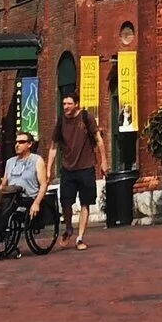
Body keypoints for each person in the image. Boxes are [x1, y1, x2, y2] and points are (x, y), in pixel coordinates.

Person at [0, 131, 45, 260]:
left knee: (8, 205)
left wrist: (36, 203)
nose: (17, 145)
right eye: (16, 142)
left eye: (21, 142)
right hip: (9, 195)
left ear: (30, 144)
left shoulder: (36, 160)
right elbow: (4, 184)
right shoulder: (10, 162)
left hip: (27, 197)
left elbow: (43, 184)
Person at [49, 97, 102, 249]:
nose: (66, 106)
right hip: (68, 168)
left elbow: (98, 139)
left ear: (76, 104)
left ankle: (80, 238)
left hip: (86, 167)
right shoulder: (61, 122)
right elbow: (53, 147)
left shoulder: (86, 117)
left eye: (69, 104)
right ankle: (68, 228)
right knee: (66, 203)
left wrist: (104, 161)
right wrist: (48, 168)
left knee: (85, 202)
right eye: (64, 104)